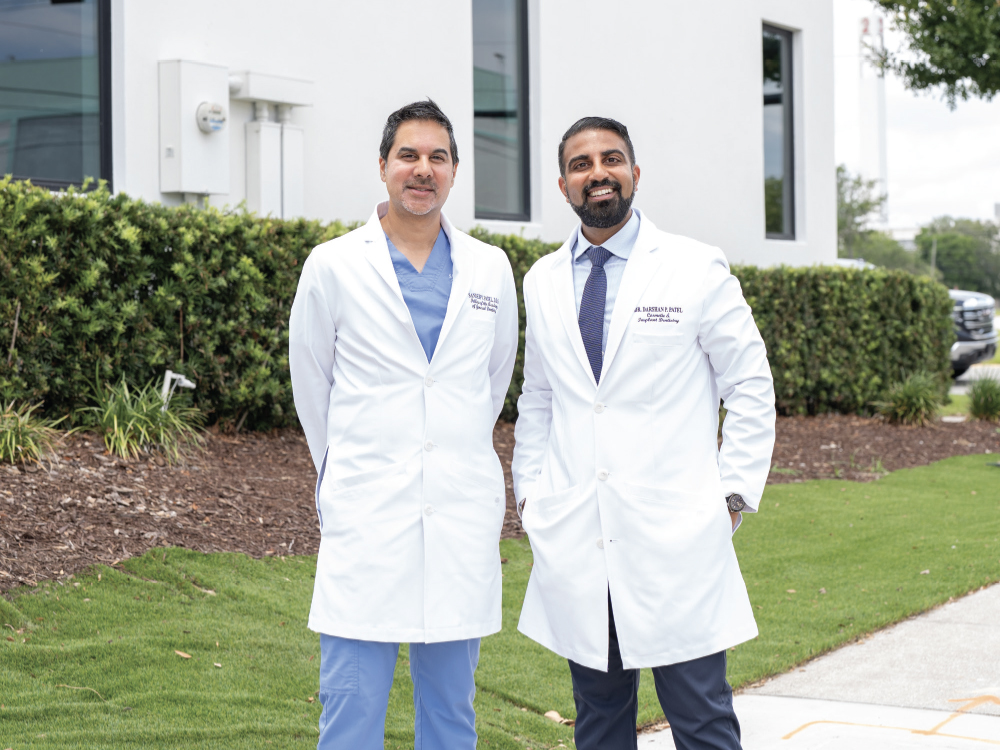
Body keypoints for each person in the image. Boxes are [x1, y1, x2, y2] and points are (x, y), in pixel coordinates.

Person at [511, 116, 775, 750]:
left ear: (635, 173)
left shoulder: (693, 267)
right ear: (563, 183)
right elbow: (540, 399)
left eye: (611, 159)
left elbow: (750, 385)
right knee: (599, 723)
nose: (597, 172)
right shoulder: (543, 281)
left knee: (703, 722)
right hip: (580, 536)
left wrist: (733, 493)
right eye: (581, 164)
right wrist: (530, 496)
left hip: (674, 540)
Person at [289, 99, 518, 750]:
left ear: (454, 172)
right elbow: (313, 388)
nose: (423, 170)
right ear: (383, 166)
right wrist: (349, 472)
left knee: (451, 714)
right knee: (351, 711)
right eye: (409, 156)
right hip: (368, 517)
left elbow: (490, 385)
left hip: (458, 519)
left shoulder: (489, 269)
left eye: (438, 158)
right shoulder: (333, 265)